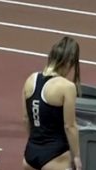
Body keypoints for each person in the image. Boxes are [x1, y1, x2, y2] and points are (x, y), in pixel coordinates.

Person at [22, 37, 82, 170]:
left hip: (30, 154)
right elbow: (70, 126)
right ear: (68, 63)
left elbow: (26, 118)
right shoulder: (67, 87)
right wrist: (77, 156)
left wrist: (35, 143)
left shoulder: (30, 80)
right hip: (55, 156)